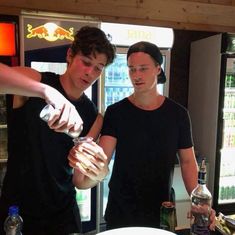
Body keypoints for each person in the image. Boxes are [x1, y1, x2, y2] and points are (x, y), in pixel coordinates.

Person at [68, 41, 216, 231]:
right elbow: (102, 159)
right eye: (132, 69)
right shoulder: (116, 112)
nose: (136, 75)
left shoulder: (178, 114)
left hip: (162, 209)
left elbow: (188, 162)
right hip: (121, 209)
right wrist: (86, 173)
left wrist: (199, 201)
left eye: (143, 69)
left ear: (157, 68)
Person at [0, 26, 115, 235]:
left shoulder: (92, 115)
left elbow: (80, 180)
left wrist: (98, 174)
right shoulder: (36, 81)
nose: (90, 73)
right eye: (86, 62)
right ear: (70, 55)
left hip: (63, 214)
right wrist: (45, 91)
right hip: (18, 211)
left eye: (99, 68)